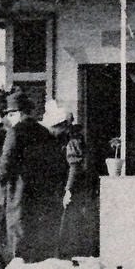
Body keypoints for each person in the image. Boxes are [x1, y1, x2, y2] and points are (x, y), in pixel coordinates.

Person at [0, 88, 57, 263]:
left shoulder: (15, 132)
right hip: (41, 192)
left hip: (19, 191)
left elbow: (5, 164)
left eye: (10, 114)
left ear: (16, 113)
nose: (8, 118)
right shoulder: (44, 132)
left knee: (17, 234)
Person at [41, 103, 98, 258]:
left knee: (71, 224)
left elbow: (74, 167)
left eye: (54, 128)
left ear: (62, 127)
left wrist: (68, 190)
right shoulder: (64, 141)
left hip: (75, 189)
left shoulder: (72, 142)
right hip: (67, 188)